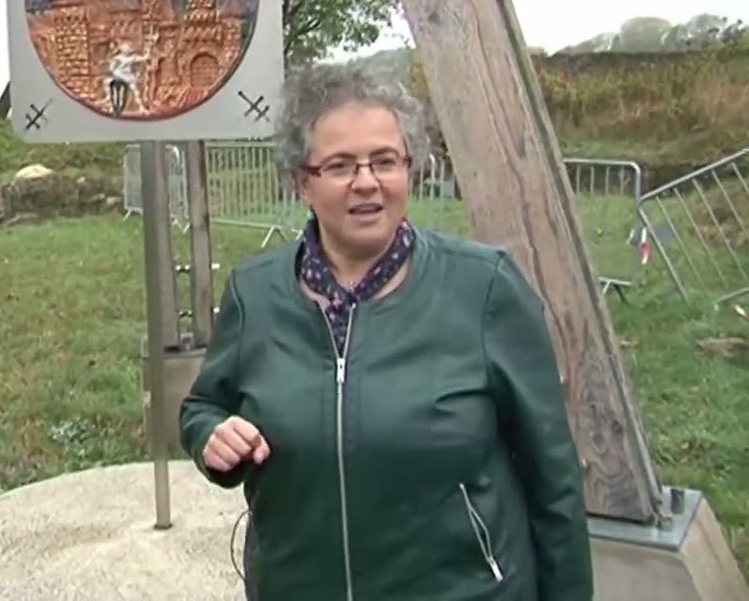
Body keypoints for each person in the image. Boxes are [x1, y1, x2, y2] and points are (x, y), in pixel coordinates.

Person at [178, 65, 594, 600]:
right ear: (302, 181)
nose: (367, 182)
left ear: (410, 171)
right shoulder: (253, 293)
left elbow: (554, 482)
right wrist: (211, 436)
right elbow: (202, 408)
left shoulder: (484, 288)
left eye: (385, 161)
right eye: (340, 165)